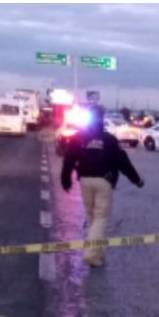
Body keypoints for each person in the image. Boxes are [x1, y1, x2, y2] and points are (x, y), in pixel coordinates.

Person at [61, 104, 144, 267]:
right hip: (104, 181)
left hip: (85, 180)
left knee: (93, 217)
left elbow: (69, 158)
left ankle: (98, 253)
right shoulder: (110, 139)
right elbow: (123, 162)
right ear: (102, 118)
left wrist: (66, 178)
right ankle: (91, 253)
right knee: (101, 217)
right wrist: (136, 180)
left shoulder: (79, 137)